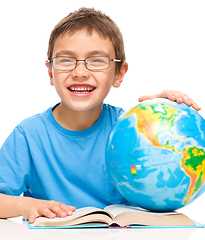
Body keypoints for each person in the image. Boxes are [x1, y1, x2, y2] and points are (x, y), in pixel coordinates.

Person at [0, 7, 201, 224]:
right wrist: (25, 205)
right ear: (51, 73)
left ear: (119, 74)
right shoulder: (28, 136)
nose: (80, 72)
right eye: (66, 60)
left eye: (96, 61)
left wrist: (162, 116)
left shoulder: (130, 129)